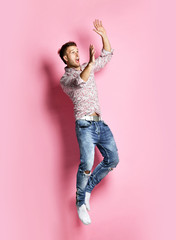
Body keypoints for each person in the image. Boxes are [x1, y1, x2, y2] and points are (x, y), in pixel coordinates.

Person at [58, 19, 119, 225]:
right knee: (86, 164)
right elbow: (80, 81)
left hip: (100, 124)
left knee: (113, 160)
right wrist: (90, 65)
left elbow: (107, 55)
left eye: (77, 50)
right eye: (72, 52)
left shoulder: (88, 66)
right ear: (65, 58)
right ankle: (79, 202)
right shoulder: (65, 79)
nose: (77, 53)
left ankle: (88, 190)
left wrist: (103, 34)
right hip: (84, 126)